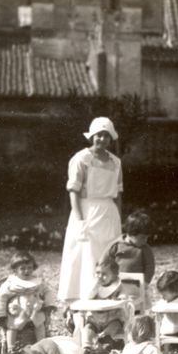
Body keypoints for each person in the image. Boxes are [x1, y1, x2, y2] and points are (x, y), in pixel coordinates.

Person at [59, 117, 123, 303]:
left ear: (111, 139)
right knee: (87, 257)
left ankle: (108, 297)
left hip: (109, 213)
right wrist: (79, 221)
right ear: (91, 136)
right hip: (87, 211)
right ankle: (84, 299)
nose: (102, 139)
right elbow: (74, 191)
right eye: (98, 135)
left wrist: (119, 216)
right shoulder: (81, 158)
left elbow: (118, 193)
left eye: (106, 136)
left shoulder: (116, 162)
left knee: (108, 254)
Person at [0, 251, 56, 352]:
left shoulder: (37, 281)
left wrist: (49, 305)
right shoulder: (10, 283)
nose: (27, 271)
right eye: (22, 268)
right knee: (12, 326)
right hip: (18, 311)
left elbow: (48, 292)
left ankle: (42, 347)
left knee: (40, 325)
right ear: (15, 270)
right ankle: (10, 347)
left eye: (29, 268)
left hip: (35, 310)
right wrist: (1, 314)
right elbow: (2, 297)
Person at [101, 210, 156, 308]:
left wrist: (146, 282)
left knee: (134, 302)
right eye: (142, 237)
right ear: (131, 233)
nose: (145, 240)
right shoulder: (116, 246)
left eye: (147, 238)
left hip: (137, 286)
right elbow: (104, 262)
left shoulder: (144, 249)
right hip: (117, 284)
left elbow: (150, 267)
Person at [81, 257, 127, 354]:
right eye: (97, 273)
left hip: (112, 318)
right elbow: (87, 296)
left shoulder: (117, 286)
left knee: (116, 325)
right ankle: (86, 347)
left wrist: (120, 298)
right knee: (87, 328)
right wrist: (95, 286)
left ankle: (105, 338)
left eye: (104, 274)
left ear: (114, 276)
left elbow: (124, 295)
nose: (100, 276)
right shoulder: (95, 286)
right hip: (95, 319)